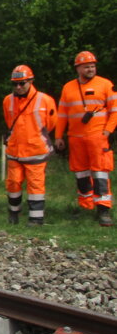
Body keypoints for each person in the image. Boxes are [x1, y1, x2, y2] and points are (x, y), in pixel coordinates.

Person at [54, 51, 117, 227]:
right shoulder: (68, 88)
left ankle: (103, 210)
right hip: (75, 138)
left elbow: (115, 111)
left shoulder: (106, 85)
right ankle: (86, 208)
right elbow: (62, 115)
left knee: (100, 173)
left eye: (93, 65)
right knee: (81, 173)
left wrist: (107, 132)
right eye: (87, 66)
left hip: (97, 137)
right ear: (78, 68)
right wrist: (59, 136)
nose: (91, 69)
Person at [2, 65, 57, 226]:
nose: (18, 87)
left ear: (31, 81)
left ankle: (36, 219)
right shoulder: (7, 101)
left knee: (36, 186)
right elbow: (8, 120)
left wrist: (34, 136)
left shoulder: (45, 100)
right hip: (15, 150)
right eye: (15, 84)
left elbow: (51, 123)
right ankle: (13, 214)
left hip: (36, 151)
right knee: (13, 183)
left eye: (22, 83)